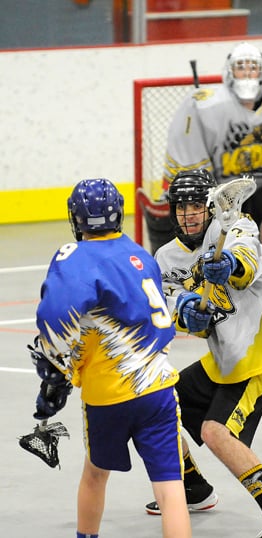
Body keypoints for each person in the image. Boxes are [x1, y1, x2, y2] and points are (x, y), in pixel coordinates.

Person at [144, 168, 262, 538]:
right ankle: (194, 489)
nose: (188, 215)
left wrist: (230, 265)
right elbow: (169, 309)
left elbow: (245, 264)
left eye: (195, 207)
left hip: (257, 354)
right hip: (221, 358)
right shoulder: (165, 258)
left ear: (208, 208)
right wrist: (183, 312)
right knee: (156, 407)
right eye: (180, 207)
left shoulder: (236, 227)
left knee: (215, 432)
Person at [29, 178, 192, 538]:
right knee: (170, 488)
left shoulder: (75, 257)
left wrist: (55, 371)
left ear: (76, 218)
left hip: (109, 395)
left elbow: (55, 315)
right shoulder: (140, 254)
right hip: (159, 391)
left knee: (94, 475)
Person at [139, 41, 262, 322]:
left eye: (252, 67)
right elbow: (187, 153)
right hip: (221, 186)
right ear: (229, 72)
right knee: (196, 230)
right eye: (241, 68)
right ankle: (191, 293)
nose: (247, 74)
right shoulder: (204, 105)